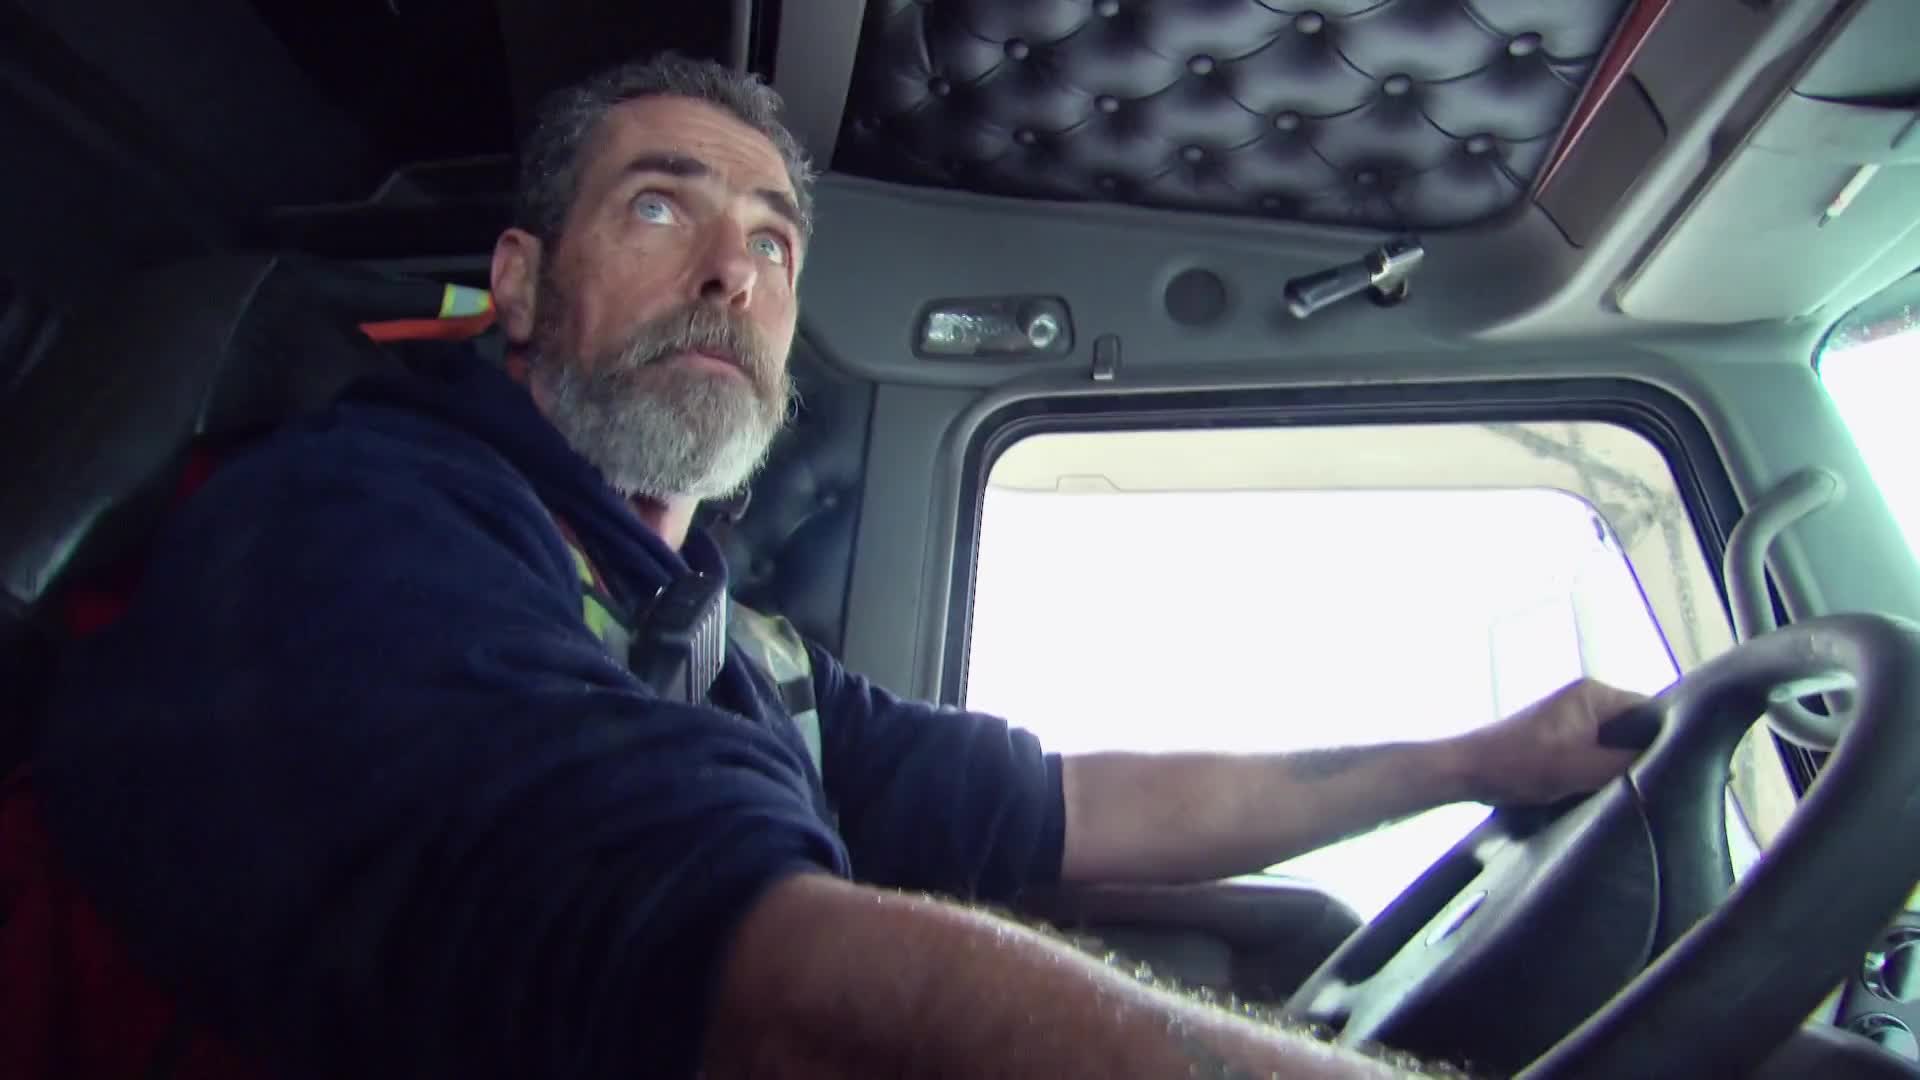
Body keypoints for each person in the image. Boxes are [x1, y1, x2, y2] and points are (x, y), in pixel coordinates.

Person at [35, 54, 1648, 1079]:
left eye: (773, 240)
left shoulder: (737, 653)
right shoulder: (354, 521)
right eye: (658, 208)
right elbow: (740, 970)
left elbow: (1073, 805)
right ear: (520, 285)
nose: (731, 272)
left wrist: (1470, 762)